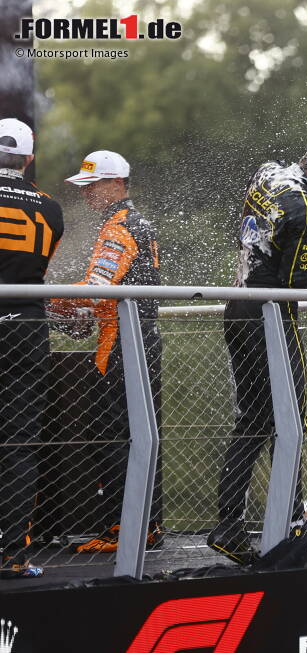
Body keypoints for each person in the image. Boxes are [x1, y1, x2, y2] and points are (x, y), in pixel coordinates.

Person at [209, 132, 307, 564]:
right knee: (292, 421)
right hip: (272, 322)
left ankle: (229, 525)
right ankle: (291, 525)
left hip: (238, 311)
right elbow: (294, 280)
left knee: (256, 421)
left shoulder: (271, 173)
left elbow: (273, 221)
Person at [47, 150, 164, 553]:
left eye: (93, 185)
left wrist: (47, 298)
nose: (88, 194)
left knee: (114, 434)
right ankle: (148, 524)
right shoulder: (140, 223)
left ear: (116, 184)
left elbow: (97, 289)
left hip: (121, 342)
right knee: (144, 432)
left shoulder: (119, 228)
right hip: (145, 337)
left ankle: (123, 527)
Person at [0, 118, 64, 580]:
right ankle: (10, 555)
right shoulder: (51, 208)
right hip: (27, 325)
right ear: (28, 159)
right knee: (19, 443)